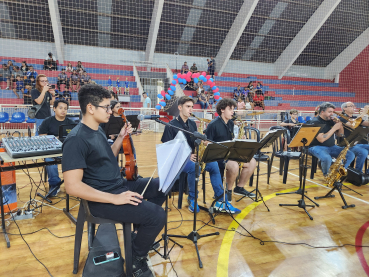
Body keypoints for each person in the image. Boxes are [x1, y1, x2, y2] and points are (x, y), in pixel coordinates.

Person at [62, 84, 165, 277]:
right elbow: (72, 186)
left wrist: (120, 138)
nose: (111, 111)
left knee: (162, 187)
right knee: (157, 216)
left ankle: (139, 237)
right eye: (107, 107)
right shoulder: (76, 139)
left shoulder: (97, 130)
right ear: (90, 108)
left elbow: (105, 158)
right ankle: (136, 257)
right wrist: (114, 198)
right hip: (101, 200)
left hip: (117, 185)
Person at [161, 96, 240, 213]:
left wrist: (202, 143)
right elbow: (168, 149)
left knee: (213, 165)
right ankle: (192, 198)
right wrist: (187, 156)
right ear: (180, 107)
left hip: (193, 156)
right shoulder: (171, 125)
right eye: (188, 107)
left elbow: (194, 142)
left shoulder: (192, 124)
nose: (191, 109)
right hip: (178, 160)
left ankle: (220, 199)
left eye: (192, 107)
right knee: (194, 167)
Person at [205, 98, 257, 202]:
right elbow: (206, 142)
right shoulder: (213, 124)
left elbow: (230, 139)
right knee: (234, 165)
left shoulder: (230, 123)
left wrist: (239, 140)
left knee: (252, 162)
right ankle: (228, 191)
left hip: (229, 153)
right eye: (230, 109)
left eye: (233, 109)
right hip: (217, 156)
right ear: (222, 110)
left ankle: (239, 188)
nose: (233, 112)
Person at [308, 102, 355, 180]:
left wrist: (340, 126)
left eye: (333, 112)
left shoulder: (330, 121)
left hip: (331, 146)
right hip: (316, 146)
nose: (332, 114)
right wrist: (334, 128)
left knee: (350, 155)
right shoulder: (315, 122)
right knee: (327, 158)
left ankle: (340, 172)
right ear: (322, 112)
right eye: (330, 112)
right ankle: (327, 176)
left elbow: (340, 135)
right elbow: (321, 139)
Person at [39, 99, 75, 196]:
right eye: (60, 108)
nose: (63, 110)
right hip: (52, 151)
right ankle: (55, 185)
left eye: (65, 109)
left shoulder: (71, 123)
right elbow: (41, 136)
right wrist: (55, 139)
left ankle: (73, 184)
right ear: (54, 109)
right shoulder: (47, 121)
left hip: (68, 150)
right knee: (50, 161)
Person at [338, 102, 369, 173]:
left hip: (357, 143)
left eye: (354, 105)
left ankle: (367, 173)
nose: (354, 107)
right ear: (344, 108)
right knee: (363, 152)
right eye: (351, 106)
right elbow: (353, 124)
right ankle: (358, 173)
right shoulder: (341, 118)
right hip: (347, 144)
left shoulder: (355, 118)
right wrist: (363, 112)